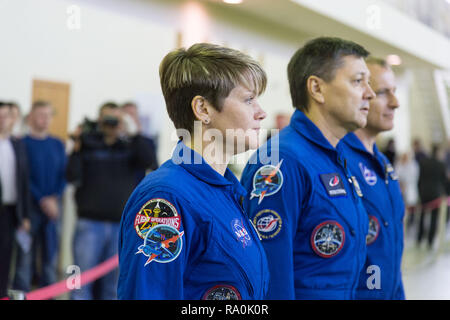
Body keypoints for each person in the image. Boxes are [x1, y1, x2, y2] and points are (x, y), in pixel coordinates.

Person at [117, 43, 269, 300]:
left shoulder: (226, 189)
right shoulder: (166, 197)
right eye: (248, 99)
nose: (261, 113)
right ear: (203, 109)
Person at [240, 37, 375, 300]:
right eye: (358, 81)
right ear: (317, 88)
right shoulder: (282, 161)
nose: (369, 93)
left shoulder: (334, 156)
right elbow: (271, 280)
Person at [67, 102, 155, 300]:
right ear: (99, 120)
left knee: (114, 287)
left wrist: (133, 130)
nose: (111, 123)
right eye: (107, 119)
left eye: (115, 119)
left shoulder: (131, 147)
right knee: (79, 284)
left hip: (121, 226)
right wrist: (76, 146)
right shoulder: (88, 144)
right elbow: (71, 175)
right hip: (89, 224)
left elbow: (149, 161)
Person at [339, 57, 405, 299]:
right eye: (384, 93)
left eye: (394, 92)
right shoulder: (337, 160)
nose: (396, 103)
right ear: (362, 96)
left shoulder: (384, 165)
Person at [12, 101, 66, 292]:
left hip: (52, 210)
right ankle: (21, 293)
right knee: (24, 260)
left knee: (50, 258)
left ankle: (49, 294)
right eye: (40, 114)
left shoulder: (58, 144)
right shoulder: (22, 144)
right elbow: (23, 178)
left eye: (48, 115)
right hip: (29, 210)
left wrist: (54, 198)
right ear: (31, 117)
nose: (44, 119)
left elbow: (63, 175)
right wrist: (42, 200)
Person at [0, 102, 31, 298]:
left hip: (10, 211)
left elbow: (23, 182)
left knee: (5, 257)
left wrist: (25, 215)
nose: (3, 120)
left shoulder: (17, 144)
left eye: (6, 116)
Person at [417, 144, 447, 250]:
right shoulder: (441, 164)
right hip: (435, 194)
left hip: (423, 192)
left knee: (422, 216)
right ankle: (430, 240)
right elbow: (444, 181)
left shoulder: (423, 163)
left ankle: (419, 238)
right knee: (434, 218)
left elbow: (419, 178)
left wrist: (419, 191)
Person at [121, 101, 159, 183]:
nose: (129, 119)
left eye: (132, 115)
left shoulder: (146, 141)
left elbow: (152, 164)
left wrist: (136, 136)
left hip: (136, 185)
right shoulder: (116, 140)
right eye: (126, 115)